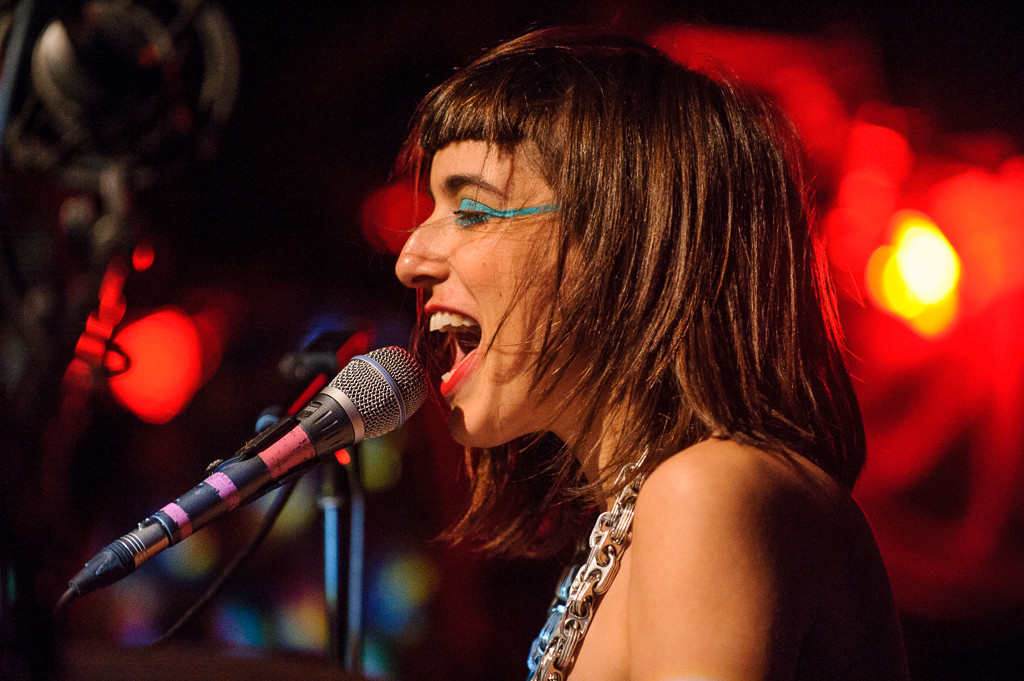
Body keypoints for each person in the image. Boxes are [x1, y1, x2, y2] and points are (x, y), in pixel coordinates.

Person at [393, 26, 909, 681]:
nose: (411, 258)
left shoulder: (708, 489)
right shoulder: (651, 510)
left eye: (470, 210)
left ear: (623, 241)